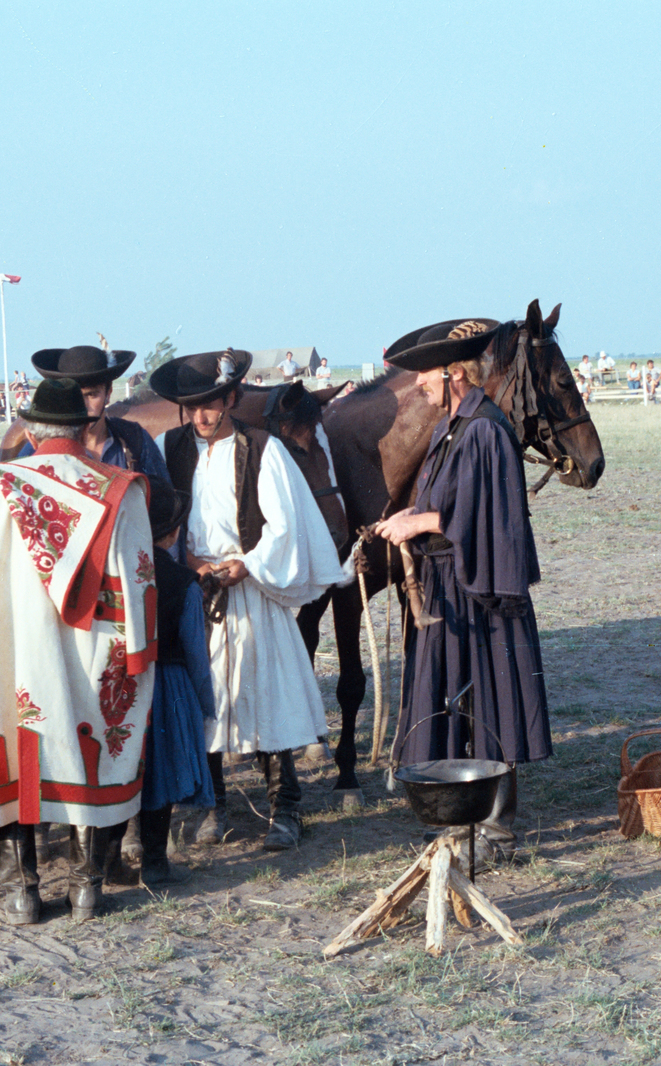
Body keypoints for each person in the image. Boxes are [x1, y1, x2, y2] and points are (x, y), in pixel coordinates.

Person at [0, 380, 156, 924]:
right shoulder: (120, 490)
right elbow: (140, 583)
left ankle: (22, 891)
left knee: (2, 743)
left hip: (9, 645)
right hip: (90, 646)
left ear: (27, 429)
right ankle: (86, 889)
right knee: (92, 750)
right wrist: (136, 655)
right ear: (82, 427)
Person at [151, 349, 345, 851]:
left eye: (210, 404)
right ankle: (209, 803)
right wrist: (189, 563)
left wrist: (248, 565)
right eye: (191, 407)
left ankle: (286, 807)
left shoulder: (263, 448)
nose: (200, 416)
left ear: (231, 397)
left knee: (268, 693)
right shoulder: (168, 446)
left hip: (253, 588)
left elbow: (284, 526)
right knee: (204, 693)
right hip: (195, 592)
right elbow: (156, 522)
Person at [372, 319, 551, 861]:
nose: (418, 384)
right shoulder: (450, 427)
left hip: (482, 588)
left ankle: (494, 834)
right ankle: (456, 821)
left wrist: (419, 524)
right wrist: (411, 513)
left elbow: (481, 515)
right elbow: (450, 499)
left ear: (455, 372)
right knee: (454, 700)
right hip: (449, 584)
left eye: (425, 374)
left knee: (493, 704)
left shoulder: (485, 429)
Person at [106, 481, 214, 888]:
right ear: (172, 534)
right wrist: (206, 704)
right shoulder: (185, 583)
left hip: (121, 684)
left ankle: (109, 861)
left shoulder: (115, 572)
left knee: (120, 772)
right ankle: (154, 863)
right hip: (168, 687)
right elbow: (196, 656)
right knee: (161, 775)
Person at [17, 344, 170, 488]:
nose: (82, 406)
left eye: (91, 394)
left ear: (108, 394)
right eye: (74, 396)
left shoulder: (135, 440)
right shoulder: (38, 448)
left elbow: (164, 503)